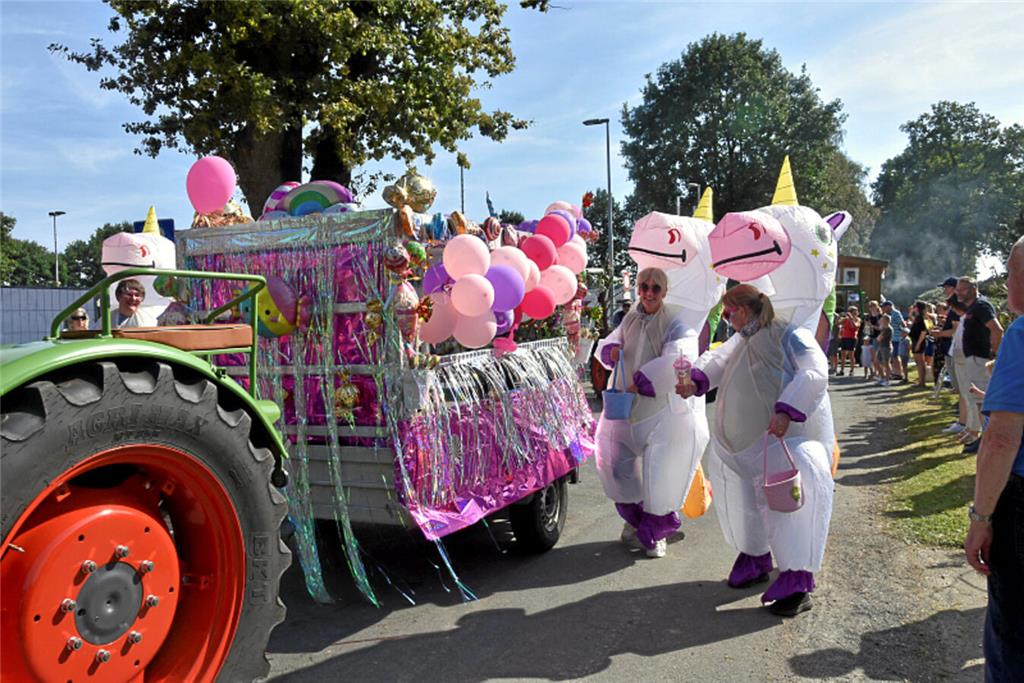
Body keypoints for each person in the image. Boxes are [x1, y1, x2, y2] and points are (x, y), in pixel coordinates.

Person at [676, 284, 833, 617]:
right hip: (740, 450)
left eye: (729, 312)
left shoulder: (787, 335)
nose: (727, 318)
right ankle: (755, 556)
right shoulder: (743, 338)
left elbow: (815, 369)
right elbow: (716, 360)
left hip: (775, 444)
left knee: (787, 511)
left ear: (743, 310)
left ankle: (797, 580)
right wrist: (696, 381)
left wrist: (787, 408)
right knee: (744, 506)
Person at [594, 267, 706, 559]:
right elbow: (608, 343)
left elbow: (681, 355)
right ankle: (637, 520)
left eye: (656, 288)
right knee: (616, 468)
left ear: (665, 292)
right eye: (644, 286)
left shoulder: (675, 323)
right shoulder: (630, 317)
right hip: (625, 408)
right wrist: (611, 351)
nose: (648, 293)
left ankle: (656, 532)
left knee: (660, 476)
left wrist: (646, 379)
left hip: (660, 412)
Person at [964, 235, 1024, 682]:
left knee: (1013, 641)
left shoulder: (1022, 333)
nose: (1004, 283)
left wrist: (981, 517)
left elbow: (1001, 439)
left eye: (1009, 271)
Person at [955, 277, 1003, 453]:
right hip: (973, 359)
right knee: (977, 400)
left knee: (983, 400)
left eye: (963, 289)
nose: (959, 292)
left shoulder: (982, 306)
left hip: (980, 359)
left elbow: (997, 330)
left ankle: (987, 439)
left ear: (974, 288)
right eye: (958, 289)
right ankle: (983, 437)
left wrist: (996, 356)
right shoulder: (973, 307)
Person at [881, 301, 906, 381]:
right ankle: (895, 372)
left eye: (884, 307)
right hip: (891, 338)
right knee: (892, 357)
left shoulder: (896, 313)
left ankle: (899, 373)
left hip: (896, 337)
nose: (883, 308)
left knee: (895, 355)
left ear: (889, 306)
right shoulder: (887, 314)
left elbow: (902, 324)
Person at [837, 306, 859, 376]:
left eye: (855, 311)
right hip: (844, 337)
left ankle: (852, 370)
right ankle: (842, 370)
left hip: (852, 338)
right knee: (843, 354)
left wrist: (851, 319)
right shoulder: (845, 319)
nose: (854, 313)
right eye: (852, 311)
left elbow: (854, 327)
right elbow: (838, 323)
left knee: (851, 354)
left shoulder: (857, 319)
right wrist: (838, 316)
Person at [875, 314, 893, 386]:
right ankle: (882, 378)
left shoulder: (888, 329)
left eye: (882, 319)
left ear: (886, 320)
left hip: (886, 347)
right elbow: (878, 338)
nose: (881, 321)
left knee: (886, 363)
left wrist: (879, 337)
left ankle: (887, 380)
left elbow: (879, 338)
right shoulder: (883, 328)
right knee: (877, 361)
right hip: (881, 346)